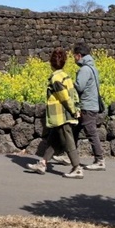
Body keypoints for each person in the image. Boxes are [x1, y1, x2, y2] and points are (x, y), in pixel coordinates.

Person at [27, 48, 84, 179]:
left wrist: (74, 111)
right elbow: (74, 94)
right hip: (64, 115)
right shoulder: (66, 76)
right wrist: (77, 108)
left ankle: (77, 168)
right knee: (53, 140)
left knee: (68, 141)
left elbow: (64, 97)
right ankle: (42, 163)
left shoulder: (56, 78)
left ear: (51, 63)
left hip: (61, 115)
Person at [53, 42, 107, 171]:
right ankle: (70, 155)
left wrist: (67, 84)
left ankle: (99, 160)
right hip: (90, 104)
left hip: (87, 106)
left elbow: (79, 87)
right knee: (74, 130)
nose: (73, 59)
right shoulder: (92, 67)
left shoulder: (85, 69)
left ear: (78, 55)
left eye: (74, 56)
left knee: (91, 132)